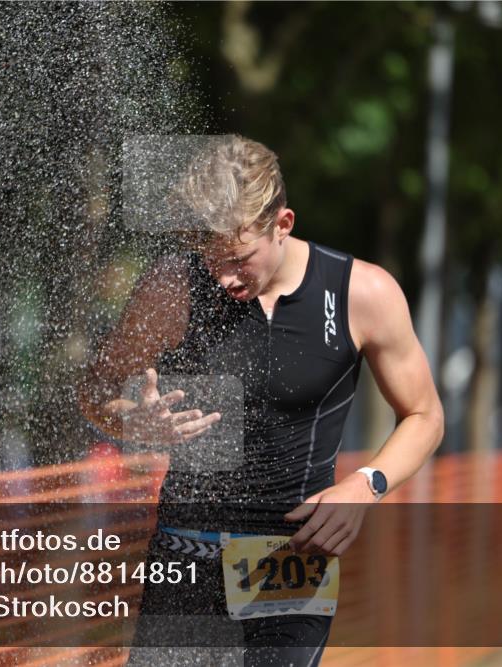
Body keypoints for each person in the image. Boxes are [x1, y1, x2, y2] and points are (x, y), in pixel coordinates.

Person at [79, 135, 444, 666]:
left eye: (239, 259)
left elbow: (425, 415)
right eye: (211, 260)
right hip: (185, 551)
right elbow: (95, 390)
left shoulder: (362, 293)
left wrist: (366, 487)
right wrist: (136, 422)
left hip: (288, 557)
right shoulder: (172, 288)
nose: (224, 277)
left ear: (284, 224)